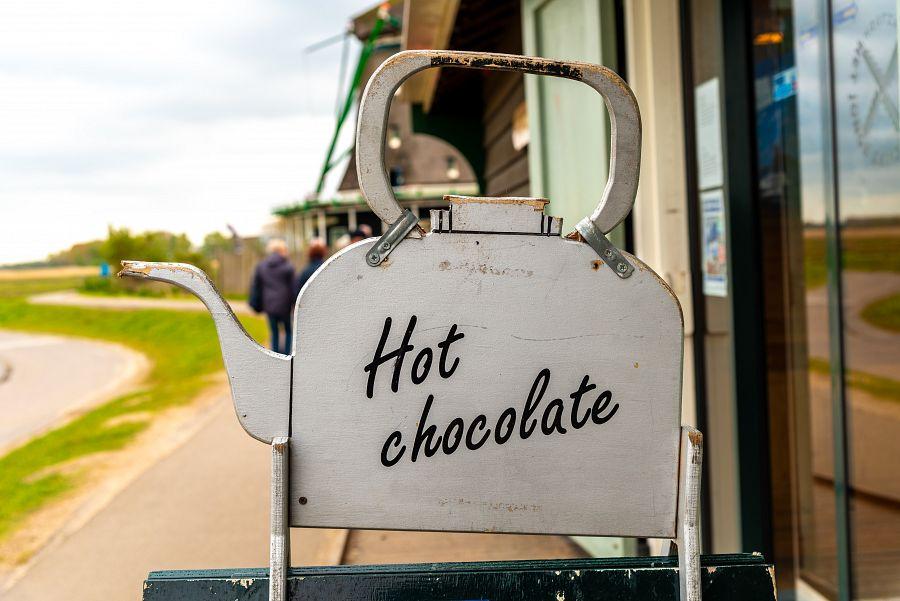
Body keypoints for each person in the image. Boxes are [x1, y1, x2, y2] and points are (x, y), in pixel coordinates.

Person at [251, 238, 295, 354]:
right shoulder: (288, 266)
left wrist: (256, 304)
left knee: (274, 332)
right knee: (288, 331)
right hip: (285, 305)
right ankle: (286, 355)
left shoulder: (261, 266)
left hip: (269, 304)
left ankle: (275, 356)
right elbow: (293, 287)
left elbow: (257, 286)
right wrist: (294, 303)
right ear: (281, 250)